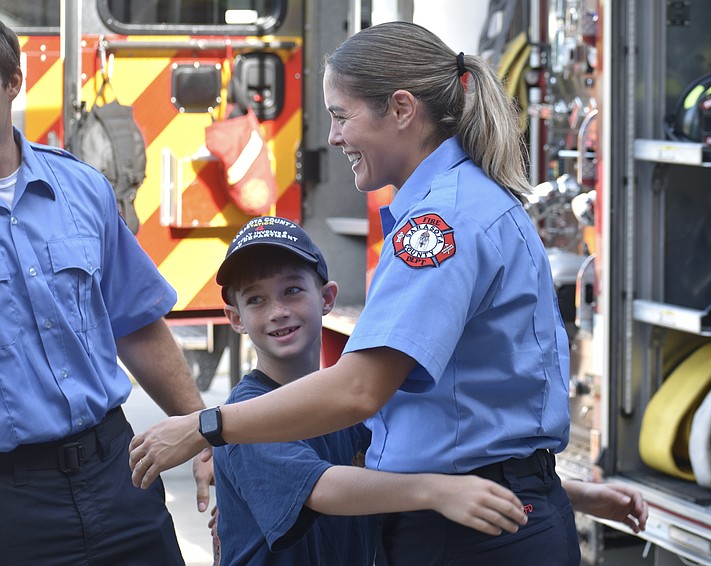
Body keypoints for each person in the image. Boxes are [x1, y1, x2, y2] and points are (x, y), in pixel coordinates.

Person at [131, 21, 645, 564]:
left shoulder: (439, 222)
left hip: (465, 535)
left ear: (401, 109)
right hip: (495, 513)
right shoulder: (470, 199)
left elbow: (360, 393)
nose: (332, 137)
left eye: (341, 115)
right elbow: (462, 422)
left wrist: (206, 426)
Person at [0, 20, 211, 565]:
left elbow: (135, 322)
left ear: (13, 83)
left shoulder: (81, 189)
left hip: (118, 475)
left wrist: (207, 434)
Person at [211, 215, 537, 565]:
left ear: (327, 297)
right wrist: (437, 493)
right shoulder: (243, 418)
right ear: (236, 319)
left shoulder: (353, 404)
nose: (278, 311)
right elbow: (322, 488)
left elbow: (416, 466)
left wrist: (559, 491)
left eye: (292, 291)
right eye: (256, 300)